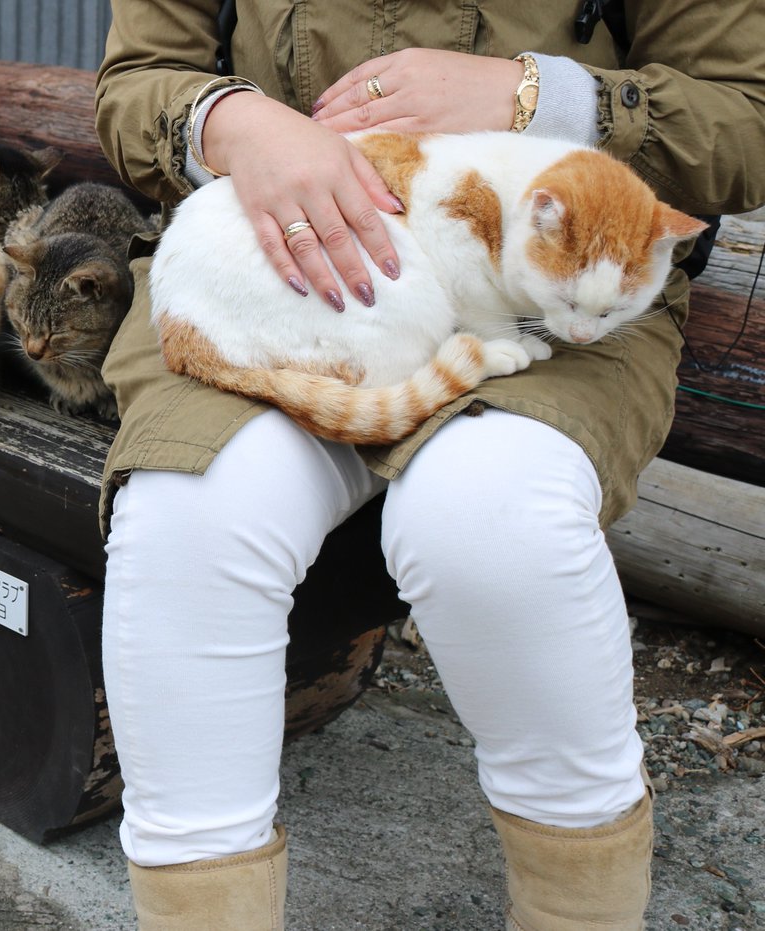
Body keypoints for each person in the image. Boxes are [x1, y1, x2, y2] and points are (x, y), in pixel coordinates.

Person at [93, 2, 765, 928]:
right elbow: (136, 84)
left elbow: (747, 123)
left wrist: (539, 95)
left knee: (489, 525)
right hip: (277, 266)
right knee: (188, 526)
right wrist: (238, 123)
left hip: (561, 301)